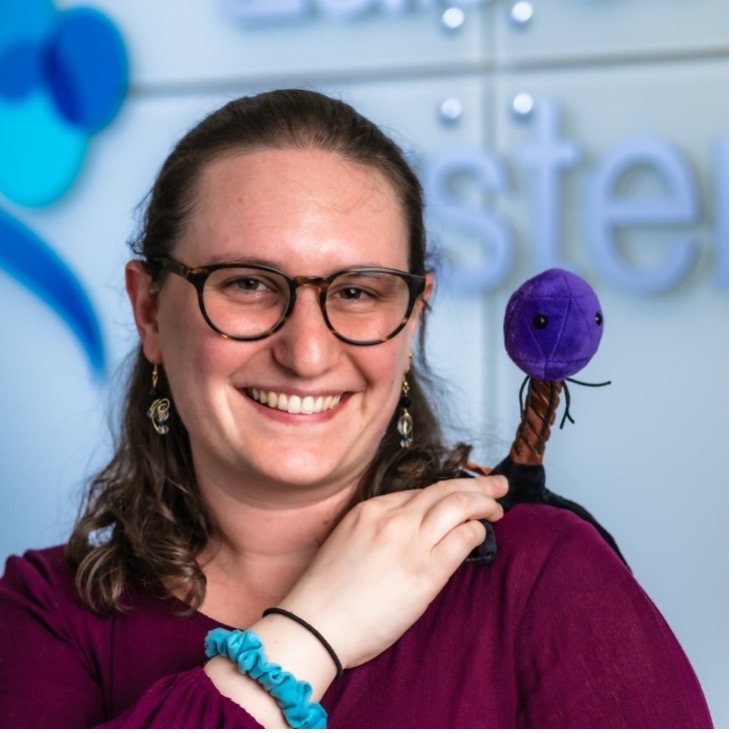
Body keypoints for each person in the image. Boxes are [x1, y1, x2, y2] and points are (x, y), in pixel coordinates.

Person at [0, 89, 711, 728]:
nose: (306, 352)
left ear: (411, 318)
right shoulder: (45, 611)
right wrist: (313, 629)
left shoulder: (541, 574)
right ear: (149, 309)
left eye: (357, 291)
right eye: (248, 283)